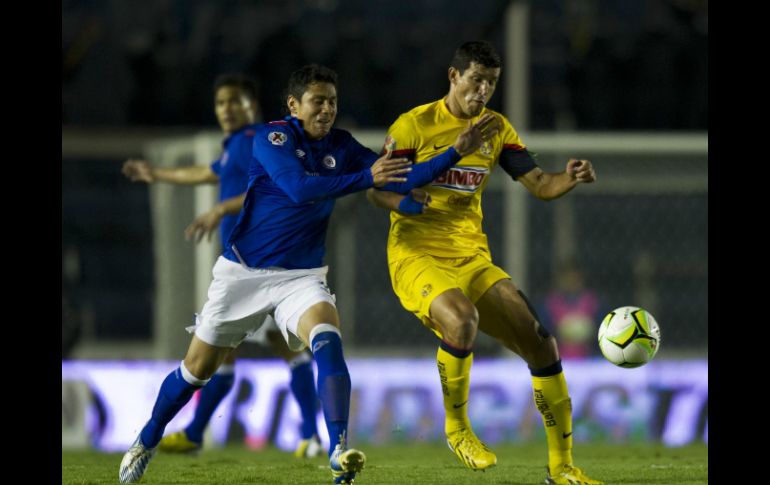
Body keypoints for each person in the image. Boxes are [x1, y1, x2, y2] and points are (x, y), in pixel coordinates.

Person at [119, 63, 496, 484]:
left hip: (301, 276)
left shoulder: (344, 145)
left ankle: (338, 448)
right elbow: (298, 188)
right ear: (294, 104)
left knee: (327, 337)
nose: (327, 110)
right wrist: (365, 178)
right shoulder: (272, 138)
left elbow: (399, 176)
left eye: (333, 102)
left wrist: (452, 154)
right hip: (243, 273)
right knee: (196, 371)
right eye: (318, 101)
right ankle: (146, 439)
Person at [366, 41, 603, 485]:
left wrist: (568, 178)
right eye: (476, 80)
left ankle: (563, 468)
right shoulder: (414, 125)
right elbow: (377, 189)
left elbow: (538, 183)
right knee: (461, 320)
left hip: (472, 255)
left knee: (542, 343)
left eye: (491, 83)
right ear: (453, 76)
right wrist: (408, 204)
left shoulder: (497, 128)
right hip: (416, 253)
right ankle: (457, 429)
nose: (483, 91)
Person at [121, 74, 323, 458]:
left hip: (265, 264)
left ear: (253, 105)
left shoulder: (259, 141)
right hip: (244, 263)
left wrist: (219, 209)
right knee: (228, 352)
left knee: (280, 349)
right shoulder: (236, 146)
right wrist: (158, 174)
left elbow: (266, 189)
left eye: (234, 101)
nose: (226, 109)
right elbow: (209, 172)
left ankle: (310, 436)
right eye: (220, 103)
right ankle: (198, 432)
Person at [538, 260, 601, 360]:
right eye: (567, 278)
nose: (571, 281)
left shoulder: (592, 302)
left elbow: (601, 331)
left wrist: (588, 331)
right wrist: (559, 331)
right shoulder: (551, 303)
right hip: (558, 359)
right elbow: (541, 333)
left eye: (575, 278)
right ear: (560, 280)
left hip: (588, 360)